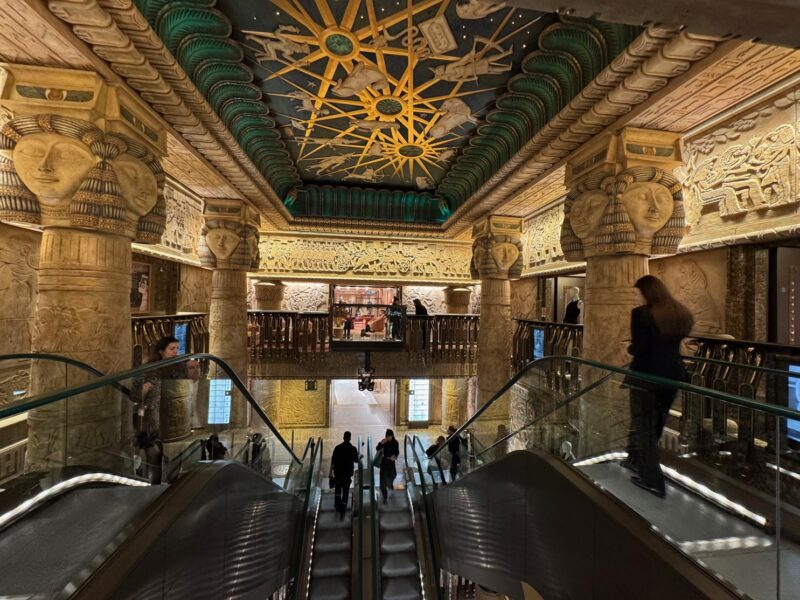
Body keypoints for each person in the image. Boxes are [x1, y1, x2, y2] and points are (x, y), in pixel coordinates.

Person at [623, 275, 694, 498]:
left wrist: (630, 349)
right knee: (655, 425)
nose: (638, 297)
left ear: (647, 292)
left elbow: (640, 348)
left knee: (643, 424)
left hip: (646, 375)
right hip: (672, 375)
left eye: (639, 292)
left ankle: (652, 480)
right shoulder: (681, 313)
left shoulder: (642, 314)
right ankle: (634, 459)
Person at [134, 336, 199, 483]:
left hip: (174, 421)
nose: (176, 352)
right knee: (154, 454)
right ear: (161, 351)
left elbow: (188, 387)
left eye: (177, 348)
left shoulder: (180, 368)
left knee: (176, 456)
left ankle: (169, 486)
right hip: (153, 420)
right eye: (172, 349)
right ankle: (154, 488)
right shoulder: (148, 369)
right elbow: (135, 394)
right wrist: (144, 389)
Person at [330, 431, 359, 518]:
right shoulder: (353, 449)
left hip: (338, 474)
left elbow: (333, 462)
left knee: (338, 490)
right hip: (347, 475)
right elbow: (356, 460)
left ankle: (337, 505)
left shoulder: (337, 448)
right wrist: (359, 456)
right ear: (350, 438)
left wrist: (330, 473)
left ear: (343, 437)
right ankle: (343, 509)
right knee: (346, 492)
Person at [376, 428, 400, 504]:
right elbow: (377, 449)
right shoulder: (384, 442)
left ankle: (390, 484)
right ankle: (385, 497)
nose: (389, 438)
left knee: (393, 475)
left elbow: (397, 451)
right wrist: (381, 443)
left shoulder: (395, 442)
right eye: (387, 436)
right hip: (384, 462)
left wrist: (395, 456)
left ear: (392, 436)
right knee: (382, 480)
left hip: (391, 462)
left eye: (390, 436)